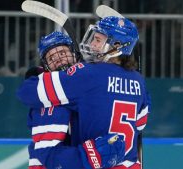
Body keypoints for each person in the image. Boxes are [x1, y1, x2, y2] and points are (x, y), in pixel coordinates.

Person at [18, 16, 151, 169]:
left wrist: (39, 75)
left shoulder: (88, 74)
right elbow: (140, 124)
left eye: (98, 40)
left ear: (117, 45)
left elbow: (27, 92)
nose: (92, 44)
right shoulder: (138, 81)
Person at [25, 31, 126, 169]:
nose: (58, 59)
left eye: (62, 53)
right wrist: (91, 157)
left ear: (74, 54)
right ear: (46, 66)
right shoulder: (46, 101)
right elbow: (48, 154)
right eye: (51, 58)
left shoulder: (85, 84)